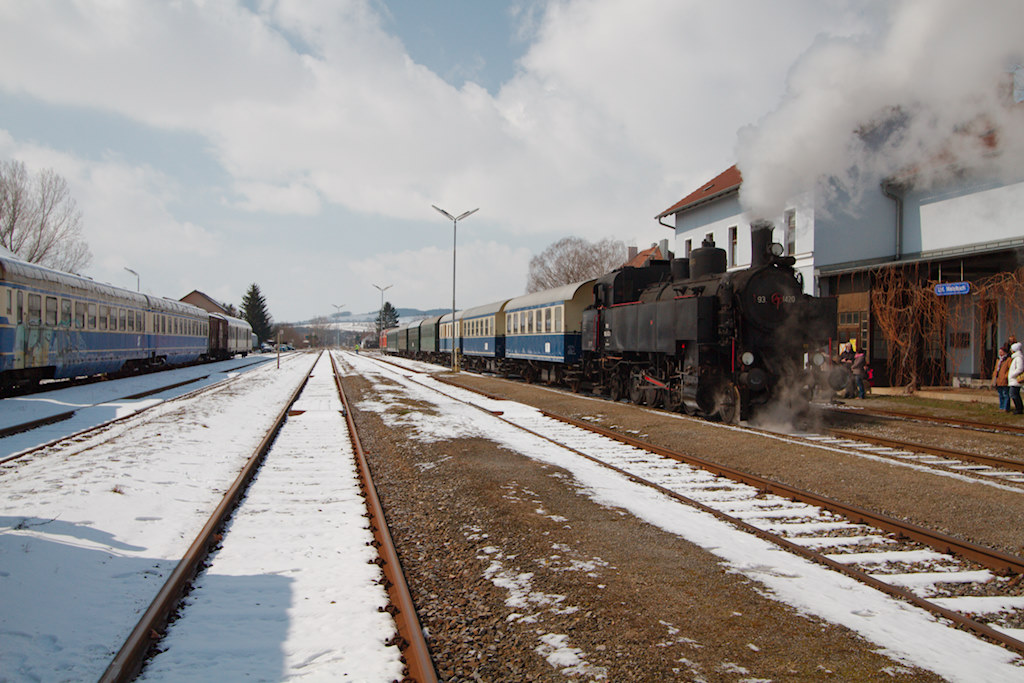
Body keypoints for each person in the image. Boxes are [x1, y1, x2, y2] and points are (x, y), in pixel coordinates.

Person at [993, 343, 1012, 412]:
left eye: (1001, 352)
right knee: (1000, 394)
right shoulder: (998, 360)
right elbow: (996, 369)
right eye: (999, 352)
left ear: (1004, 352)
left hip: (1004, 379)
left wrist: (1005, 376)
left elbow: (1010, 369)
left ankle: (1005, 407)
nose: (1000, 353)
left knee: (1005, 394)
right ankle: (1001, 407)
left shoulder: (1008, 359)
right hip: (998, 379)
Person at [1009, 342, 1024, 415]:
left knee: (1014, 394)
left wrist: (1012, 375)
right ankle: (1018, 408)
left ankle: (1019, 409)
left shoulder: (1018, 358)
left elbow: (1020, 369)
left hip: (1015, 380)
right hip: (1013, 380)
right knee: (1014, 394)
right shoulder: (1015, 358)